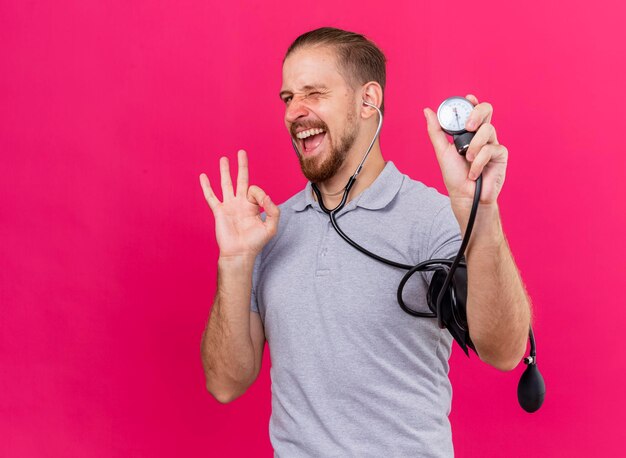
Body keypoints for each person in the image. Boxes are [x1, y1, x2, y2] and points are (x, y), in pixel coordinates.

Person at [199, 27, 532, 457]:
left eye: (314, 93)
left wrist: (481, 212)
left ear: (367, 101)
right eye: (287, 98)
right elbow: (225, 383)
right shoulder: (266, 231)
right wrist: (235, 260)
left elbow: (506, 352)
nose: (294, 112)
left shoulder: (434, 217)